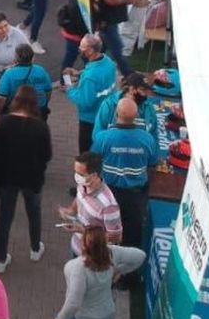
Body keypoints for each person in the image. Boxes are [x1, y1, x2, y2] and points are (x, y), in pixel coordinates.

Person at [54, 224, 146, 319]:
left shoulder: (79, 269)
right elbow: (140, 256)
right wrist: (120, 271)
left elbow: (73, 303)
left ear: (84, 245)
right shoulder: (112, 254)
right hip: (105, 312)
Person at [92, 98, 161, 288]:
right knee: (132, 236)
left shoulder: (103, 138)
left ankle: (101, 271)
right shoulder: (147, 139)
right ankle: (128, 279)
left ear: (116, 115)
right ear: (137, 116)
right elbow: (153, 164)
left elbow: (94, 162)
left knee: (106, 233)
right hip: (135, 195)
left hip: (108, 194)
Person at [0, 88, 52, 272]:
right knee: (34, 212)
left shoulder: (3, 123)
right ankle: (35, 248)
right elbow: (47, 155)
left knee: (5, 218)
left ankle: (1, 259)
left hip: (7, 178)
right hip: (32, 178)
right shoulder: (41, 126)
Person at [60, 152, 122, 255]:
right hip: (77, 246)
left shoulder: (109, 206)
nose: (76, 177)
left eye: (80, 174)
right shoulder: (82, 185)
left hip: (93, 257)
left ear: (94, 175)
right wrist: (71, 210)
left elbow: (116, 237)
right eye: (75, 172)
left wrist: (83, 231)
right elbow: (79, 199)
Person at [64, 34, 117, 153]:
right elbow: (96, 72)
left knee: (85, 153)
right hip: (106, 113)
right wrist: (79, 73)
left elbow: (85, 102)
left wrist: (69, 88)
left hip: (89, 120)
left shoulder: (90, 77)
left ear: (91, 50)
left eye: (82, 47)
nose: (79, 48)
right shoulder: (108, 62)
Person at [95, 0, 135, 75]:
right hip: (108, 19)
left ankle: (92, 64)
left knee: (103, 46)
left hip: (105, 19)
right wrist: (127, 0)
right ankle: (129, 75)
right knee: (117, 50)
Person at [0, 42, 53, 118]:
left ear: (16, 58)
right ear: (33, 57)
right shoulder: (41, 70)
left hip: (17, 110)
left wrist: (0, 111)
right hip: (38, 108)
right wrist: (44, 104)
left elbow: (1, 97)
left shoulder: (9, 73)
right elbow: (48, 90)